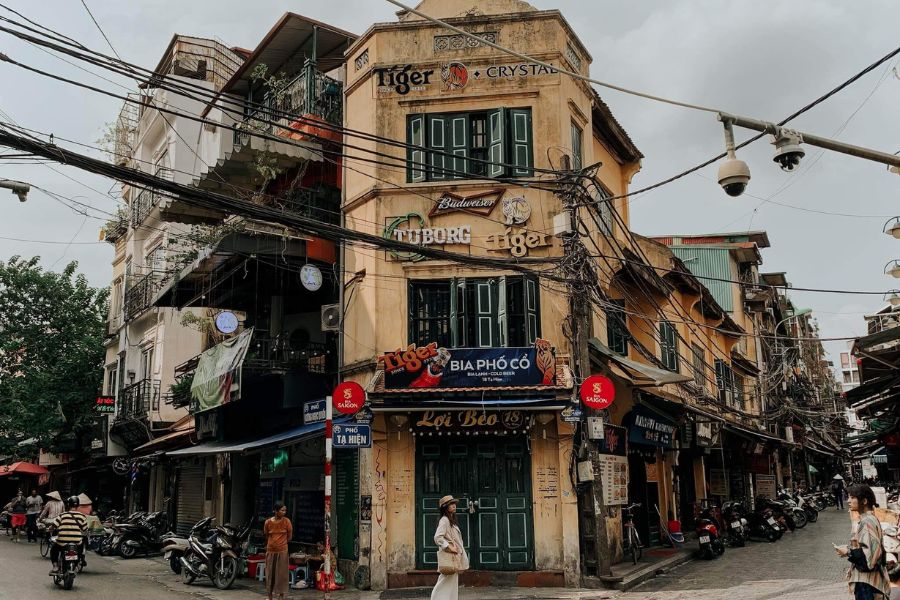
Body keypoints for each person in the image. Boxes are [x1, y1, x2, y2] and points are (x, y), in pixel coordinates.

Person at [835, 484, 891, 600]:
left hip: (867, 584)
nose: (848, 501)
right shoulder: (869, 519)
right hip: (869, 583)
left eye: (852, 497)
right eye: (848, 497)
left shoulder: (867, 522)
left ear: (864, 501)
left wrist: (848, 552)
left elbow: (869, 558)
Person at [431, 495, 469, 600]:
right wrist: (449, 547)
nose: (454, 506)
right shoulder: (444, 520)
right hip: (449, 556)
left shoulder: (450, 520)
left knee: (451, 581)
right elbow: (437, 537)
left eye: (454, 504)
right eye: (451, 504)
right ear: (445, 507)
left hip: (453, 557)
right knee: (444, 580)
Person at [48, 496, 87, 575]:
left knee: (53, 550)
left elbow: (54, 526)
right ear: (78, 505)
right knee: (79, 551)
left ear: (68, 505)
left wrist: (49, 528)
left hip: (62, 541)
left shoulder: (62, 515)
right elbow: (85, 529)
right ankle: (76, 565)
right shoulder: (82, 516)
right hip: (76, 542)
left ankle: (55, 566)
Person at [263, 501, 292, 600]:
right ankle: (270, 596)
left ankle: (281, 596)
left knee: (282, 575)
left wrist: (281, 543)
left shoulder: (287, 521)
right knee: (270, 574)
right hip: (271, 551)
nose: (284, 512)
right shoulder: (268, 522)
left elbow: (289, 537)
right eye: (282, 510)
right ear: (276, 511)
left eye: (285, 510)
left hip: (282, 551)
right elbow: (267, 535)